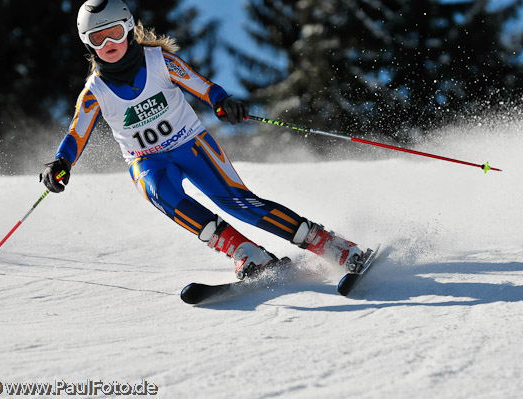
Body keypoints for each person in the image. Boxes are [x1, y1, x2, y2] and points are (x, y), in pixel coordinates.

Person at [41, 0, 370, 280]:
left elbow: (202, 86)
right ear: (87, 44)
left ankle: (330, 245)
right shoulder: (94, 91)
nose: (107, 43)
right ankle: (248, 254)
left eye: (113, 32)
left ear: (127, 27)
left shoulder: (159, 61)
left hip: (191, 145)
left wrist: (222, 102)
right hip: (147, 160)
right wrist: (61, 162)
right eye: (97, 38)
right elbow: (76, 134)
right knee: (160, 193)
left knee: (239, 204)